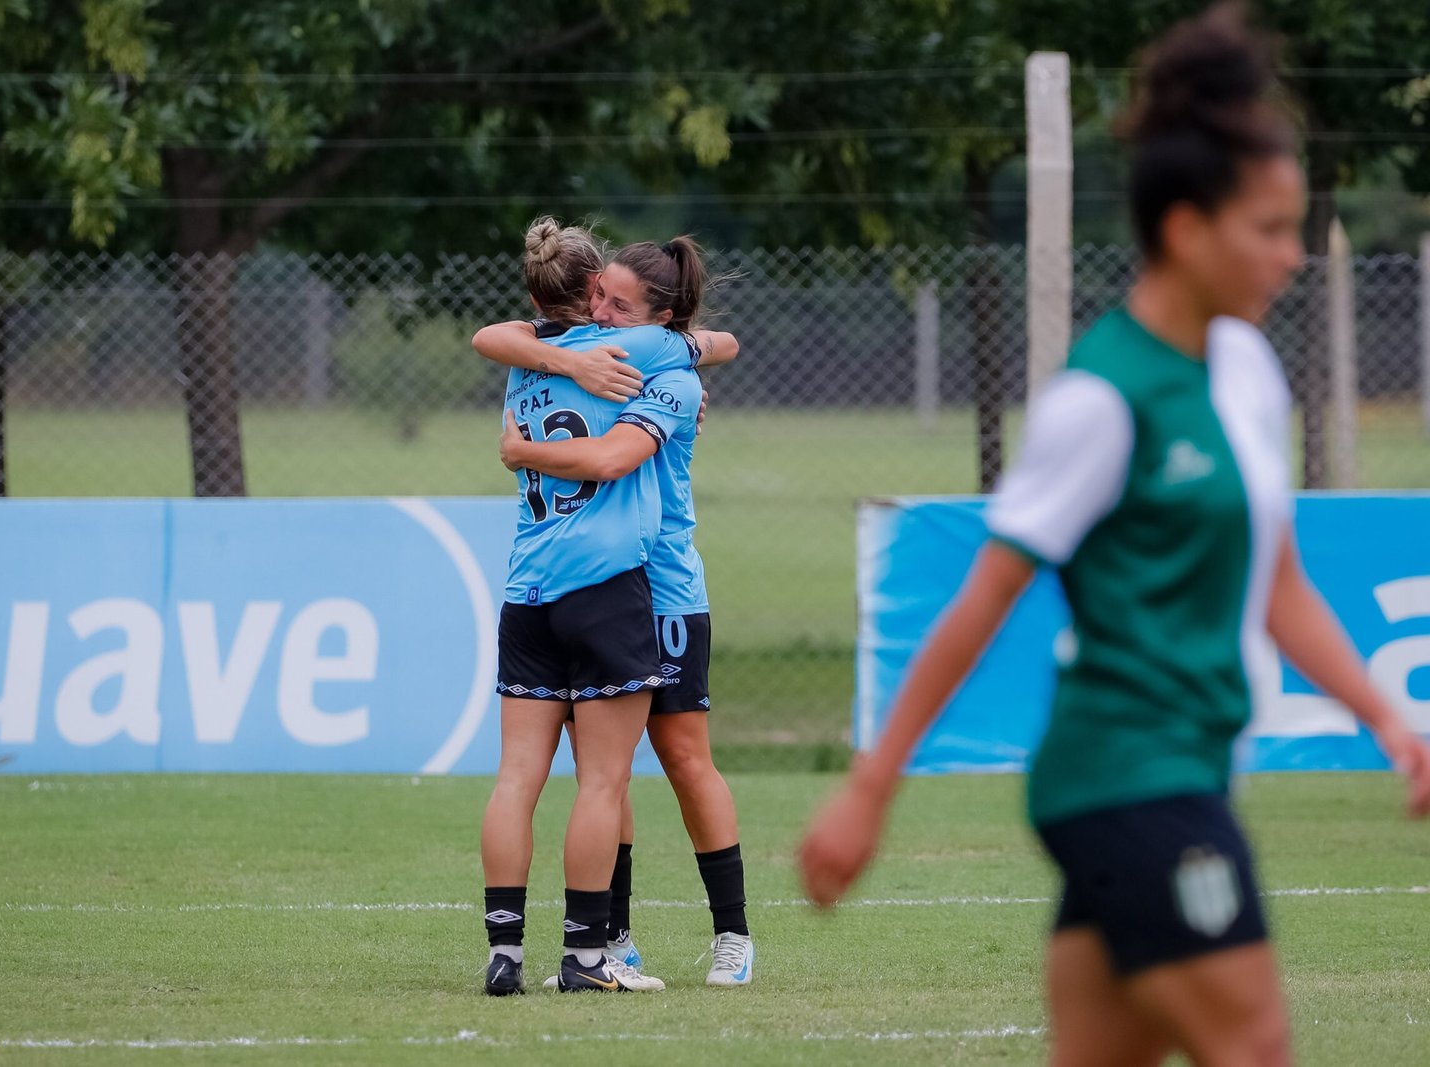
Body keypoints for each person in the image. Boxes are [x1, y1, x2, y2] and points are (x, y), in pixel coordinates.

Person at [798, 6, 1430, 1064]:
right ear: (1186, 229)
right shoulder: (1099, 398)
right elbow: (982, 601)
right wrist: (870, 788)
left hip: (1171, 772)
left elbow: (1277, 586)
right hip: (1129, 781)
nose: (1291, 257)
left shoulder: (1245, 372)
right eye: (1269, 230)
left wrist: (1391, 722)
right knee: (1254, 1046)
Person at [480, 236, 755, 988]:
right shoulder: (595, 351)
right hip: (609, 585)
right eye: (598, 296)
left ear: (661, 319)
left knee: (684, 760)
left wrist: (521, 448)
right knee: (609, 776)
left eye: (620, 306)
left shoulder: (660, 363)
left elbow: (720, 343)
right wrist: (568, 357)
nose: (601, 314)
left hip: (664, 589)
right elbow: (501, 335)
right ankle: (609, 938)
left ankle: (732, 935)